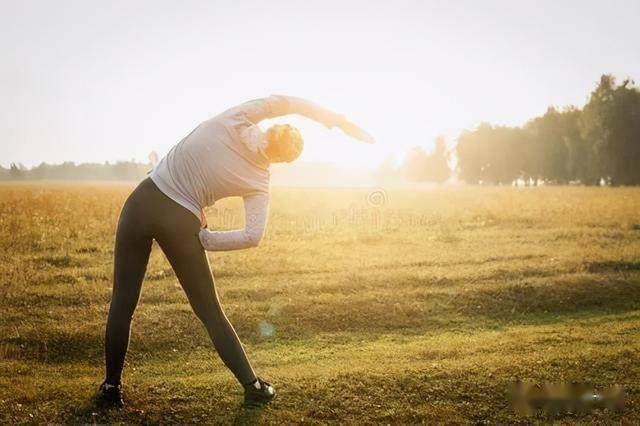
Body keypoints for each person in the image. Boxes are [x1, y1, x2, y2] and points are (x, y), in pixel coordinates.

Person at [98, 95, 374, 408]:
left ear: (272, 127)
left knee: (123, 301)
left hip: (141, 202)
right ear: (284, 161)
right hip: (183, 221)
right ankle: (253, 387)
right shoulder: (260, 179)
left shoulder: (236, 118)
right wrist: (206, 239)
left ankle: (111, 388)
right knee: (209, 311)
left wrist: (335, 119)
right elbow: (253, 235)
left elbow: (287, 101)